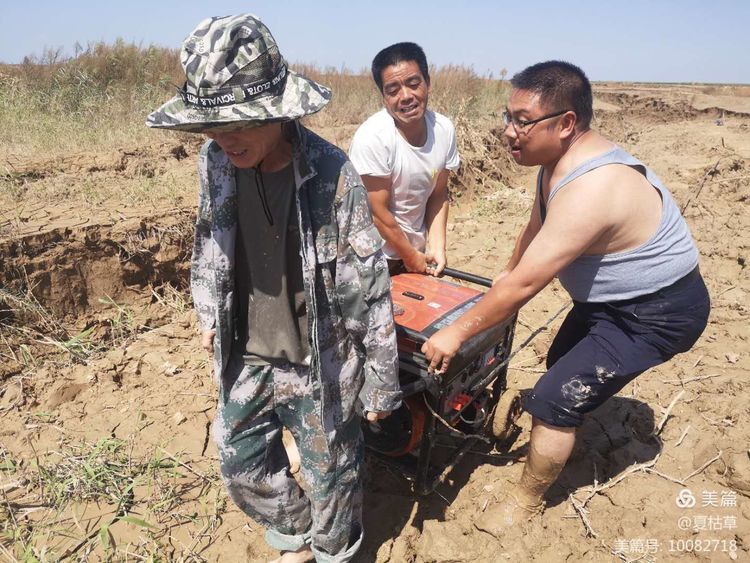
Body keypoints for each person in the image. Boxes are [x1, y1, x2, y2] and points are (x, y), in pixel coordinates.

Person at [147, 14, 400, 563]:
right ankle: (295, 531)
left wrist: (380, 378)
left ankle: (334, 550)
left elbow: (366, 282)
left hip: (319, 359)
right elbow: (209, 237)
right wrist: (209, 310)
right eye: (212, 126)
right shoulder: (215, 161)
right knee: (240, 464)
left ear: (279, 113)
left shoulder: (331, 173)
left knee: (332, 474)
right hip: (247, 350)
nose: (223, 138)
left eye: (238, 123)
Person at [420, 61, 710, 537]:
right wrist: (505, 275)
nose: (509, 131)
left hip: (657, 313)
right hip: (612, 301)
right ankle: (566, 412)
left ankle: (525, 501)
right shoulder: (553, 164)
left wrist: (458, 330)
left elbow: (526, 287)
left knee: (556, 399)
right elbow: (534, 231)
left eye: (521, 121)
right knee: (560, 360)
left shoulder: (593, 187)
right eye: (506, 116)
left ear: (566, 123)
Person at [349, 42, 460, 276]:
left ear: (427, 83)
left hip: (415, 253)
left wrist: (437, 247)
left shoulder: (444, 129)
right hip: (373, 259)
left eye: (413, 84)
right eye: (393, 90)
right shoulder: (373, 137)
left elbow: (439, 194)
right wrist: (409, 255)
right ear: (383, 96)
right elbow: (376, 211)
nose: (406, 96)